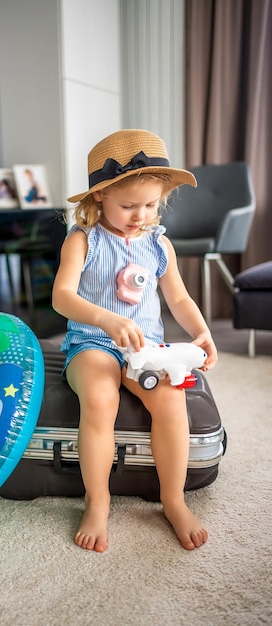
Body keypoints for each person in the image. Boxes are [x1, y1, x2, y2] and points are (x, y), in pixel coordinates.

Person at [52, 129, 218, 553]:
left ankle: (173, 500)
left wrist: (201, 332)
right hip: (92, 342)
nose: (140, 214)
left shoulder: (159, 244)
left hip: (147, 351)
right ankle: (98, 501)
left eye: (150, 204)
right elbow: (62, 297)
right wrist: (106, 320)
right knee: (101, 397)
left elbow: (177, 297)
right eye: (128, 205)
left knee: (170, 401)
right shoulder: (82, 240)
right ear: (99, 198)